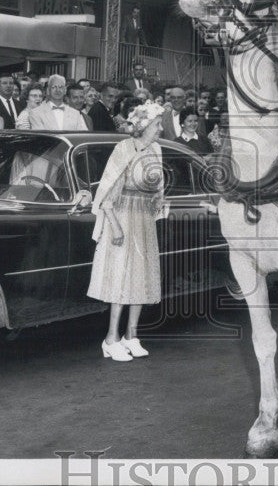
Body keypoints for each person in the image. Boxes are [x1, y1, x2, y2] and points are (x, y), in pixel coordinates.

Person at [87, 102, 168, 361]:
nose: (161, 129)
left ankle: (131, 335)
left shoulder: (156, 149)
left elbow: (157, 188)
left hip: (143, 219)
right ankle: (111, 339)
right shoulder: (124, 148)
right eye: (157, 124)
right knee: (120, 278)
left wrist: (159, 202)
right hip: (121, 217)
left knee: (141, 277)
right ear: (143, 126)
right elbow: (109, 187)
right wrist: (115, 225)